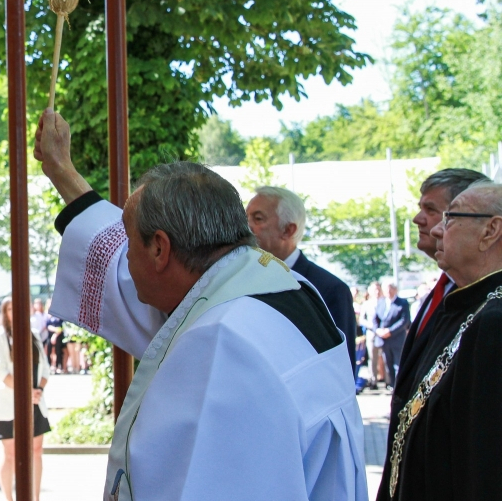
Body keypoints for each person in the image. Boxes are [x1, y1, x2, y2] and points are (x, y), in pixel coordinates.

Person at [35, 109, 365, 500]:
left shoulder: (219, 342)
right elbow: (129, 276)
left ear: (160, 249)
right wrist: (61, 171)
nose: (123, 257)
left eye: (129, 242)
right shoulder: (279, 286)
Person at [382, 181, 502, 499]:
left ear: (491, 230)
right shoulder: (467, 306)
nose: (436, 231)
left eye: (449, 218)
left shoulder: (495, 322)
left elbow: (485, 461)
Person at [247, 186, 356, 372]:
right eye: (245, 217)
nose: (246, 226)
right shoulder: (242, 282)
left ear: (288, 230)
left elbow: (342, 369)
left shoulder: (330, 289)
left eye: (257, 219)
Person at [0, 297, 51, 501]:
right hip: (9, 404)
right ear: (4, 313)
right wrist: (25, 393)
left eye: (19, 308)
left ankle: (35, 498)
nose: (15, 313)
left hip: (34, 402)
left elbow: (45, 369)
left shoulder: (33, 335)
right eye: (11, 309)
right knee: (11, 453)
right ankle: (9, 498)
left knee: (37, 450)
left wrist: (38, 389)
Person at [374, 282, 410, 389]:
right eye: (386, 290)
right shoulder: (381, 302)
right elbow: (375, 319)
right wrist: (378, 331)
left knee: (397, 365)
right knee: (388, 364)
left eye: (391, 289)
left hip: (396, 338)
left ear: (395, 290)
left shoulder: (402, 303)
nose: (388, 292)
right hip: (383, 339)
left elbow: (404, 320)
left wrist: (390, 331)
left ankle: (399, 387)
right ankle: (392, 385)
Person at [363, 282, 387, 386]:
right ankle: (373, 381)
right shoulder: (367, 303)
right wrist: (372, 327)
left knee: (386, 358)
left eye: (378, 289)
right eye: (374, 290)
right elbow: (362, 320)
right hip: (372, 334)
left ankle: (388, 380)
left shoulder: (385, 302)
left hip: (384, 335)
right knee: (373, 358)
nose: (377, 292)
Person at [45, 308, 67, 373]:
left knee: (58, 352)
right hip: (50, 336)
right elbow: (47, 325)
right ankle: (50, 366)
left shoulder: (60, 318)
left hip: (58, 337)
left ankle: (58, 366)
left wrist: (55, 334)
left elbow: (61, 327)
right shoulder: (50, 317)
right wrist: (54, 329)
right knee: (49, 351)